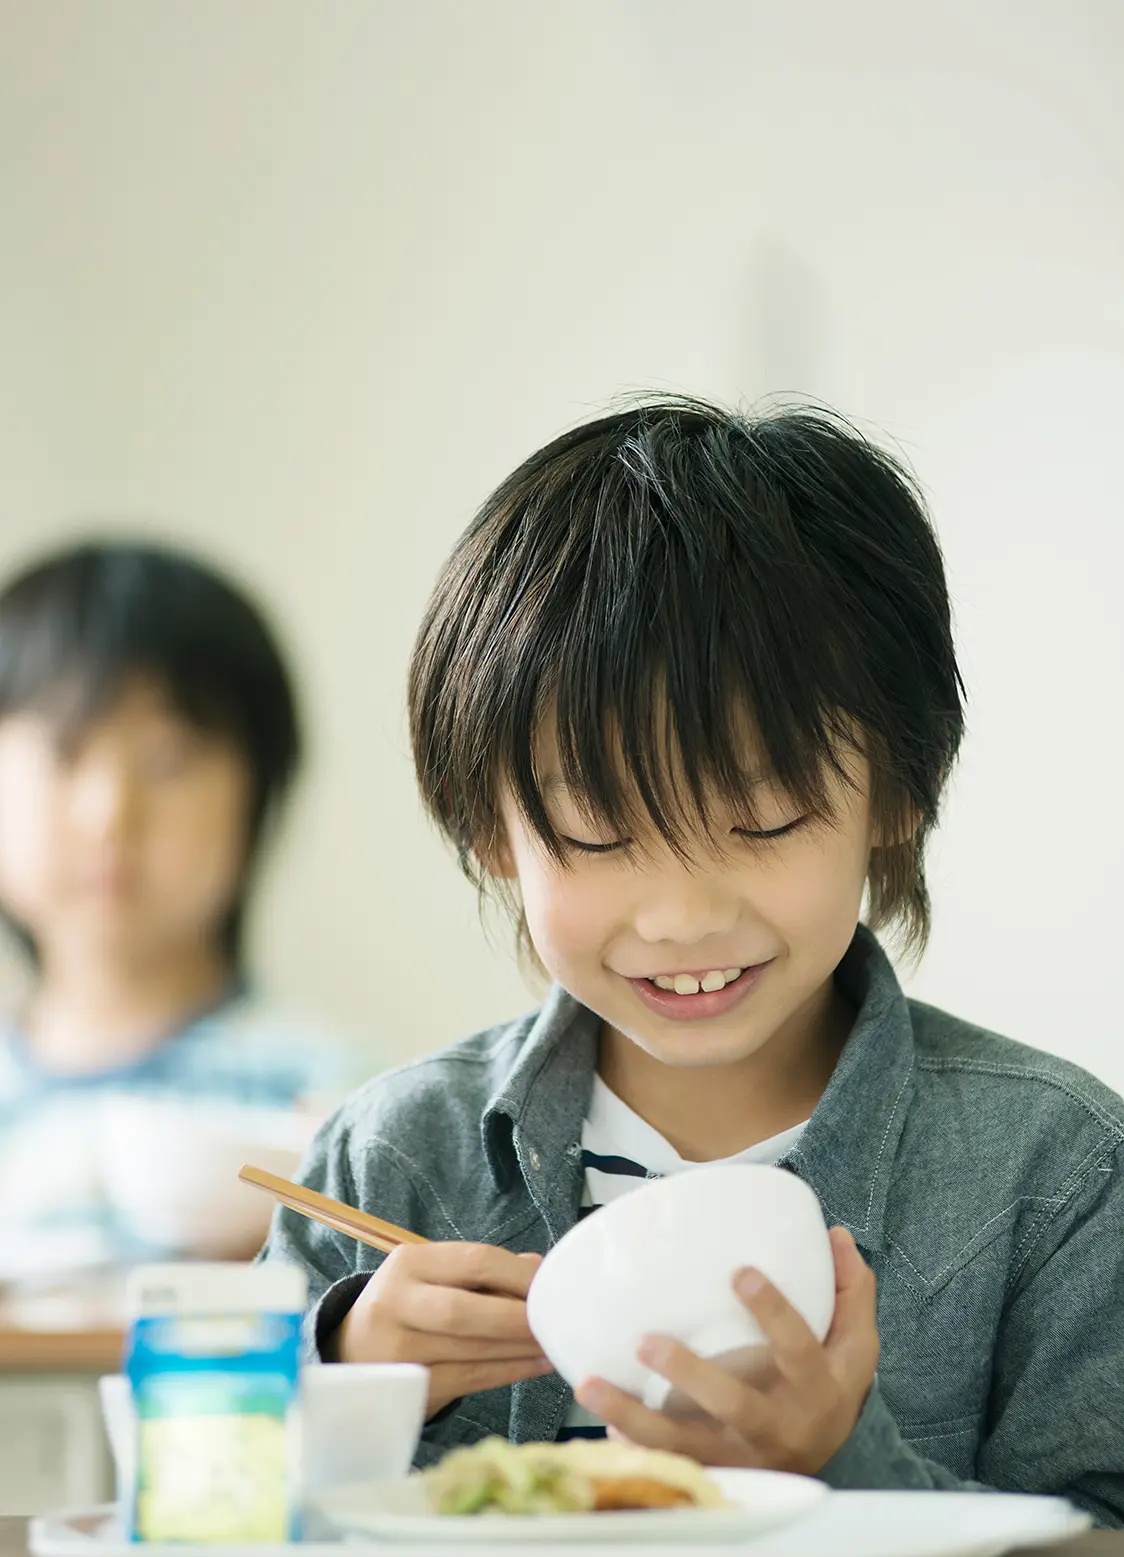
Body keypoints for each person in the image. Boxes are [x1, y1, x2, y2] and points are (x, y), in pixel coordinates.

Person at [263, 399, 1124, 1523]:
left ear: (897, 792)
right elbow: (200, 1505)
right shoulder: (392, 1160)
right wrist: (344, 1375)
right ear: (491, 833)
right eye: (595, 833)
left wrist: (841, 1465)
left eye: (762, 822)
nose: (679, 917)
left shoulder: (1052, 1174)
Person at [0, 540, 352, 1282]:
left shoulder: (337, 1100)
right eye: (65, 753)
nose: (109, 814)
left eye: (168, 759)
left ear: (257, 796)